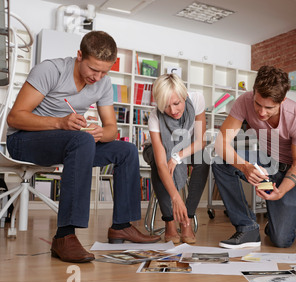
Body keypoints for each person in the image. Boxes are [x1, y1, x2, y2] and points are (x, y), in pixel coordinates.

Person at [6, 31, 160, 263]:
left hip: (69, 143)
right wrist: (60, 122)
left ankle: (122, 225)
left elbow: (111, 128)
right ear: (79, 55)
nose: (97, 77)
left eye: (104, 71)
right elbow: (15, 118)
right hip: (25, 140)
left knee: (125, 150)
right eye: (93, 69)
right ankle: (65, 236)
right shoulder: (50, 70)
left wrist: (101, 133)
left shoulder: (103, 83)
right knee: (82, 140)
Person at [212, 65, 296, 249]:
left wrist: (280, 191)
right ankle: (247, 227)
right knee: (220, 162)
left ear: (282, 101)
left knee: (281, 240)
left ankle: (273, 225)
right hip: (265, 165)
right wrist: (244, 167)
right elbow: (220, 142)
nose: (262, 112)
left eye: (269, 107)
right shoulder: (244, 101)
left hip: (287, 173)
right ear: (254, 91)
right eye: (258, 104)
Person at [143, 73, 209, 244]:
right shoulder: (155, 117)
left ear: (185, 95)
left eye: (176, 103)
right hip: (157, 148)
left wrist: (178, 156)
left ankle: (186, 220)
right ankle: (169, 222)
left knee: (204, 159)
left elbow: (201, 141)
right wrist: (176, 198)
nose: (172, 111)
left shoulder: (197, 100)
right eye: (166, 106)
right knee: (161, 164)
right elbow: (161, 162)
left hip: (187, 147)